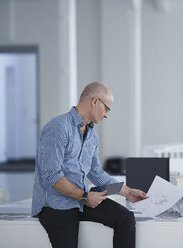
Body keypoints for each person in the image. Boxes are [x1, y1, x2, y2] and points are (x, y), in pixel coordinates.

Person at [31, 82, 147, 248]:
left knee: (125, 219)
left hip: (80, 199)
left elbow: (96, 173)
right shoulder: (58, 127)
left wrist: (127, 192)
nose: (106, 115)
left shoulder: (92, 136)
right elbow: (51, 175)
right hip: (55, 205)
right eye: (107, 109)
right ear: (95, 101)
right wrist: (84, 196)